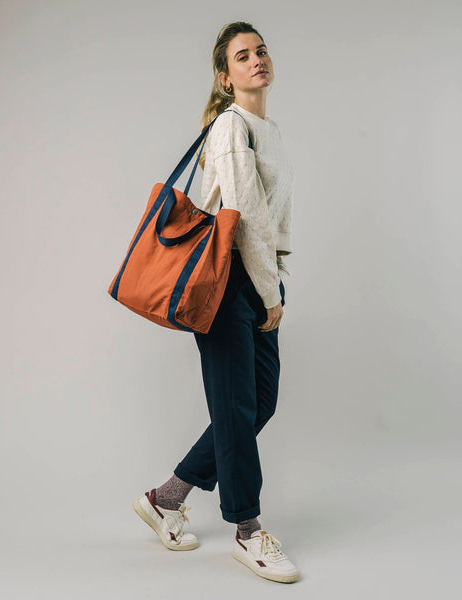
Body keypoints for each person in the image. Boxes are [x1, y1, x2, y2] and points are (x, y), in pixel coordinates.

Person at [132, 21, 299, 584]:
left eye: (261, 51)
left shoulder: (269, 130)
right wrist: (269, 291)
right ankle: (249, 532)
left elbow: (276, 219)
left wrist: (276, 280)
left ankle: (165, 498)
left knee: (259, 403)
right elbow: (245, 217)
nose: (257, 60)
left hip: (260, 280)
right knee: (236, 409)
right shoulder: (230, 127)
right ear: (225, 77)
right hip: (228, 284)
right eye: (243, 56)